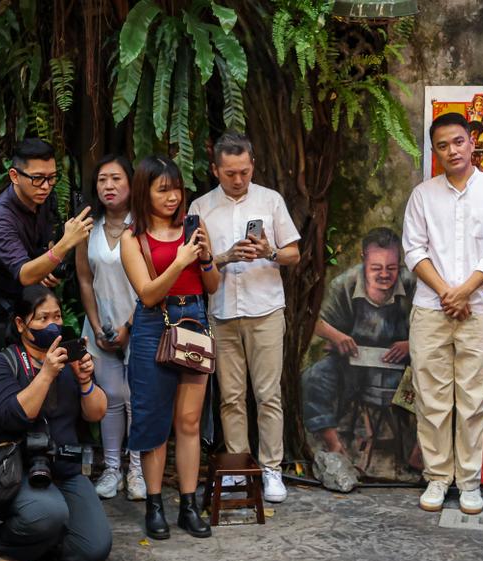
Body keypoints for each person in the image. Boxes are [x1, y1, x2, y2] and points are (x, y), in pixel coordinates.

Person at [402, 111, 483, 515]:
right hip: (431, 309)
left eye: (458, 141)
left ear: (472, 142)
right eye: (443, 145)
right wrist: (448, 292)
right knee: (432, 397)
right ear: (435, 152)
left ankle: (468, 481)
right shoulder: (423, 195)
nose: (453, 150)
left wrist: (465, 292)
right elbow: (414, 250)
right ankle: (436, 478)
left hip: (480, 310)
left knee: (474, 399)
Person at [188, 132, 301, 502]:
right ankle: (237, 467)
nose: (238, 180)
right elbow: (191, 262)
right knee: (230, 396)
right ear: (215, 169)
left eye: (244, 171)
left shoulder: (271, 200)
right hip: (221, 312)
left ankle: (271, 470)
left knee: (268, 394)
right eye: (230, 173)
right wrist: (224, 257)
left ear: (253, 165)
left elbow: (294, 254)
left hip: (265, 308)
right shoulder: (200, 207)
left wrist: (269, 251)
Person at [0, 286, 112, 561]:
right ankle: (1, 544)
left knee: (95, 547)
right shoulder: (2, 363)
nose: (53, 324)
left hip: (64, 468)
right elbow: (15, 416)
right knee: (49, 513)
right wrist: (47, 374)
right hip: (15, 472)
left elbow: (96, 413)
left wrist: (85, 380)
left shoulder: (70, 361)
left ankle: (35, 541)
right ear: (21, 324)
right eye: (42, 318)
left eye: (57, 316)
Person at [120, 155, 220, 539]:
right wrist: (179, 262)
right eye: (163, 190)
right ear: (144, 192)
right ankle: (155, 504)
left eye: (177, 188)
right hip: (152, 325)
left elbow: (211, 287)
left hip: (194, 319)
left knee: (190, 422)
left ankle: (189, 505)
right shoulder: (133, 238)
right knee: (155, 422)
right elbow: (146, 294)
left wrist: (207, 258)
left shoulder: (193, 226)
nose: (173, 197)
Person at [302, 228, 415, 460]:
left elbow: (433, 326)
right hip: (354, 363)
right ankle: (335, 446)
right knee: (315, 377)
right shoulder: (344, 284)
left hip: (404, 366)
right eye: (376, 268)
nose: (384, 274)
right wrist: (337, 337)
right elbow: (316, 321)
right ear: (364, 260)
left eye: (391, 268)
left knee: (437, 379)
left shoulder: (413, 284)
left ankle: (420, 451)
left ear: (400, 264)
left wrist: (411, 344)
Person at [0, 138, 93, 352]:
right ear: (14, 176)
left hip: (33, 299)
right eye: (37, 178)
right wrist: (65, 244)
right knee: (9, 369)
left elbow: (45, 246)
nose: (46, 186)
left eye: (52, 178)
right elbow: (25, 274)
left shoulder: (46, 198)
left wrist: (48, 266)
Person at [74, 155, 144, 500]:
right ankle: (112, 468)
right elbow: (85, 281)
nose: (109, 186)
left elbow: (154, 282)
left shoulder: (143, 226)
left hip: (140, 323)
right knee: (111, 398)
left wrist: (129, 326)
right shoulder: (87, 227)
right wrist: (98, 326)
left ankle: (138, 470)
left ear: (131, 183)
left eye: (116, 179)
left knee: (137, 399)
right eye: (102, 180)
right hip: (100, 323)